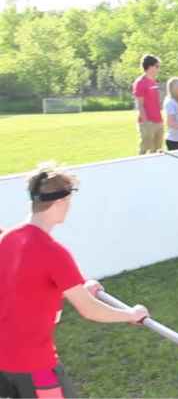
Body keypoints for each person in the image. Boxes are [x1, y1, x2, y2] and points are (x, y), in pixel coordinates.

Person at [0, 163, 148, 398]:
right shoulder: (54, 253)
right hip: (34, 365)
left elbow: (25, 288)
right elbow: (90, 311)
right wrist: (131, 315)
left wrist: (80, 289)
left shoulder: (8, 238)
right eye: (68, 202)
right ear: (60, 202)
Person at [132, 54, 163, 154]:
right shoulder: (140, 82)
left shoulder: (153, 81)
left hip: (158, 121)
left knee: (157, 149)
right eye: (157, 66)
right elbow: (140, 104)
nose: (158, 69)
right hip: (147, 122)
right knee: (145, 149)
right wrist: (146, 123)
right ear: (149, 67)